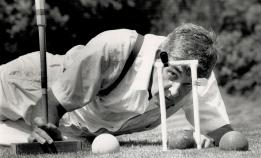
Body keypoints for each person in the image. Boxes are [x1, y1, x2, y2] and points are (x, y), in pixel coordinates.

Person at [0, 23, 233, 149]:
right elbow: (50, 103)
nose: (175, 92)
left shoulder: (197, 75)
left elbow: (225, 134)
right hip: (25, 84)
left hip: (74, 128)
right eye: (172, 75)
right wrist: (45, 125)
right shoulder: (114, 49)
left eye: (187, 85)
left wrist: (212, 140)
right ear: (160, 57)